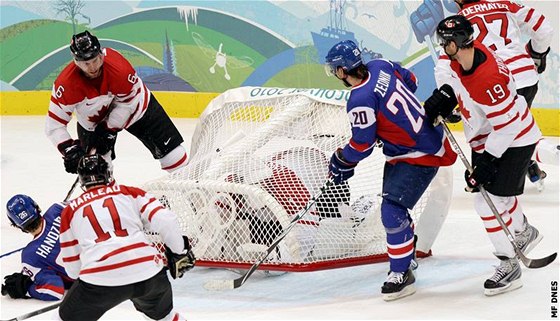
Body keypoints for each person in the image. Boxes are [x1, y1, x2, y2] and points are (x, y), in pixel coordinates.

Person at [324, 40, 457, 301]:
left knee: (392, 211)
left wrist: (342, 160)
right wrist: (392, 124)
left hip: (419, 153)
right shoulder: (380, 64)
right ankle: (406, 250)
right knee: (394, 207)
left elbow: (362, 145)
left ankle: (402, 272)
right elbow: (412, 81)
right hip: (416, 142)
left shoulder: (359, 98)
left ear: (341, 71)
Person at [424, 15, 545, 296]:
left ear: (462, 42)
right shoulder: (463, 58)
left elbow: (507, 126)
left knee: (485, 201)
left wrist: (488, 160)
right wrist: (445, 96)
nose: (444, 48)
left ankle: (509, 263)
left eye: (447, 43)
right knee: (496, 197)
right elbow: (453, 78)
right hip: (487, 136)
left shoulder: (488, 79)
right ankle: (524, 232)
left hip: (513, 139)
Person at [57, 154, 195, 320]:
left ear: (81, 181)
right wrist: (179, 252)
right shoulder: (130, 193)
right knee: (164, 318)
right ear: (108, 174)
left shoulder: (70, 211)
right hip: (149, 272)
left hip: (100, 279)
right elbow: (166, 220)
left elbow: (72, 270)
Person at [437, 0, 556, 189]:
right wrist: (536, 54)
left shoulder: (459, 23)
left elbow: (445, 68)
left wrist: (448, 100)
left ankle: (542, 155)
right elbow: (544, 28)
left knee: (501, 136)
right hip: (525, 77)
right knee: (513, 129)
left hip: (492, 81)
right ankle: (529, 166)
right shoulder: (504, 4)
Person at [45, 30, 188, 176]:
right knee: (95, 171)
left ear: (101, 53)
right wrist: (69, 149)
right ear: (76, 62)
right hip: (92, 122)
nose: (92, 68)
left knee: (173, 154)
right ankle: (108, 198)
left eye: (95, 60)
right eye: (86, 63)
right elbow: (54, 125)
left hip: (136, 108)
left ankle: (193, 192)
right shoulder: (66, 85)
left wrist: (109, 129)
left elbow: (128, 103)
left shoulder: (119, 69)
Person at [1, 195, 74, 301]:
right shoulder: (58, 208)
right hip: (105, 254)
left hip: (97, 280)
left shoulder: (30, 257)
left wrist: (27, 288)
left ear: (17, 226)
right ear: (37, 207)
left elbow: (55, 291)